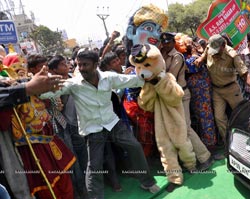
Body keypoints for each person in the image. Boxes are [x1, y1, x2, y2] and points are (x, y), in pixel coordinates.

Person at [40, 50, 160, 199]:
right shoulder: (73, 83)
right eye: (79, 64)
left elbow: (132, 80)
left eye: (85, 64)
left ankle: (147, 182)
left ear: (96, 64)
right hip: (93, 129)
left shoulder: (109, 78)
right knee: (94, 166)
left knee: (135, 147)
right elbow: (47, 93)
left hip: (112, 123)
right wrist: (35, 86)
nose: (81, 68)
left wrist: (155, 76)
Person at [194, 34, 250, 143]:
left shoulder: (233, 55)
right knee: (219, 118)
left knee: (242, 116)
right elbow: (205, 54)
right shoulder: (209, 48)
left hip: (231, 89)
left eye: (216, 50)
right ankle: (229, 143)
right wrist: (200, 59)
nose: (213, 53)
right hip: (217, 90)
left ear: (224, 45)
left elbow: (245, 74)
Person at [0, 66, 62, 199]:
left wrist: (26, 86)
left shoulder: (8, 82)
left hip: (44, 136)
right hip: (22, 142)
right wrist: (26, 88)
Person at [160, 32, 220, 170]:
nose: (166, 44)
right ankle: (194, 158)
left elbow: (170, 76)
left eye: (168, 42)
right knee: (182, 127)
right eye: (163, 42)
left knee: (187, 127)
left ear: (174, 43)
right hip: (173, 96)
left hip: (182, 94)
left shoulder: (178, 56)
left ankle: (205, 156)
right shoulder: (164, 55)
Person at [123, 4, 168, 157]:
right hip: (136, 105)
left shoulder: (158, 58)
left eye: (158, 31)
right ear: (131, 32)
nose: (155, 35)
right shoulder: (131, 63)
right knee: (143, 134)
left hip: (154, 102)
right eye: (148, 29)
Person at [48, 55, 89, 199]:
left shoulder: (75, 78)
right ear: (53, 70)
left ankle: (87, 185)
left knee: (84, 155)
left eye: (66, 63)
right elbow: (59, 106)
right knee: (72, 158)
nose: (66, 65)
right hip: (66, 125)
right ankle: (79, 189)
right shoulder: (55, 85)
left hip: (80, 123)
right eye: (62, 64)